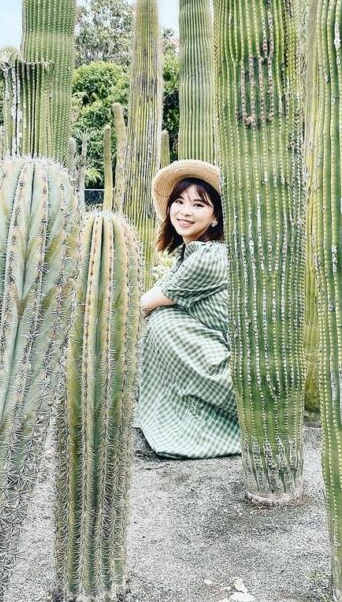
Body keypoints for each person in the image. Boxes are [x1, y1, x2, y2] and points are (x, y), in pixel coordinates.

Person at [135, 159, 240, 459]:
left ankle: (196, 426)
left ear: (215, 216)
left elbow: (144, 305)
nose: (184, 211)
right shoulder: (190, 255)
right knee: (165, 318)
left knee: (163, 319)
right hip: (217, 366)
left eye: (198, 205)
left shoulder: (210, 257)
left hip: (231, 379)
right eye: (179, 202)